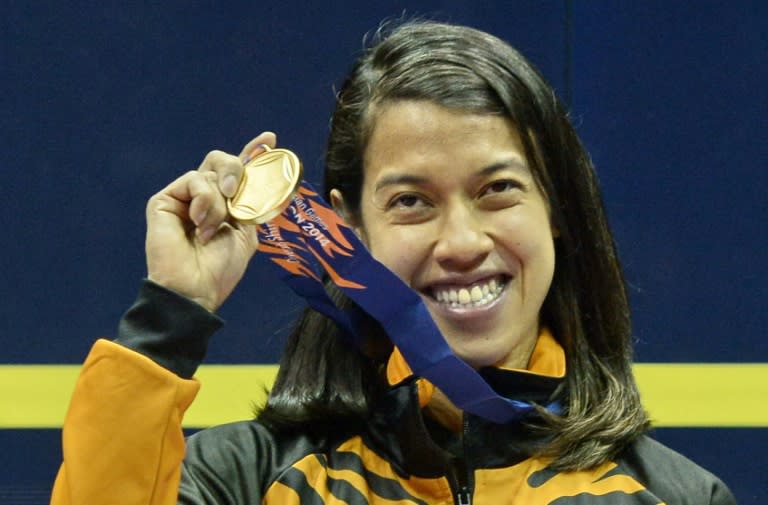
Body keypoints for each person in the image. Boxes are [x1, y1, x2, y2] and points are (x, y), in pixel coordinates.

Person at [50, 20, 736, 505]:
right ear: (350, 229)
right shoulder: (250, 481)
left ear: (554, 206)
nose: (462, 241)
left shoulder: (674, 495)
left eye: (497, 190)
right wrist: (172, 314)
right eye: (412, 201)